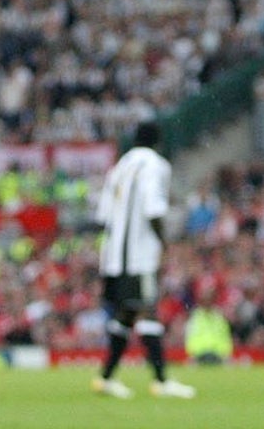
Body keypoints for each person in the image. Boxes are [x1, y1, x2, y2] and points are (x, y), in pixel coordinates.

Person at [89, 120, 195, 400]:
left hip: (113, 256)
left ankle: (106, 378)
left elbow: (103, 214)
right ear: (158, 142)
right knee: (148, 309)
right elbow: (153, 208)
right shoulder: (156, 165)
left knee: (126, 312)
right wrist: (164, 242)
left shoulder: (121, 166)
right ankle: (161, 380)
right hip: (139, 255)